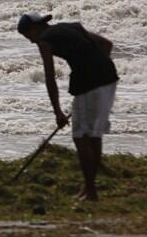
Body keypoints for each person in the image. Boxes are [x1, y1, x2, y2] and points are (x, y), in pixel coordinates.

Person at [17, 13, 118, 201]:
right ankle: (90, 189)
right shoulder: (72, 27)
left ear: (36, 28)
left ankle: (91, 191)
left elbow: (50, 78)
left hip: (88, 82)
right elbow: (106, 45)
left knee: (80, 137)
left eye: (28, 35)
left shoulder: (44, 40)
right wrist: (96, 67)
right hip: (109, 77)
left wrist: (57, 111)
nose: (31, 41)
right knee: (94, 135)